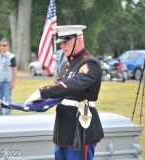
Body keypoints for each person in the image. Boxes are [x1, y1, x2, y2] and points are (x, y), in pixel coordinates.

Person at [25, 25, 104, 160]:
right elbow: (61, 92)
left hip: (79, 129)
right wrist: (41, 102)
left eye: (66, 41)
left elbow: (71, 85)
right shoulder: (66, 65)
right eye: (61, 42)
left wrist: (42, 92)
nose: (62, 45)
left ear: (78, 39)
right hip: (63, 128)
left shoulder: (90, 63)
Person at [0, 39, 17, 115]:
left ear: (8, 46)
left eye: (4, 45)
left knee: (7, 100)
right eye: (1, 45)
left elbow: (14, 70)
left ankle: (8, 114)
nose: (2, 47)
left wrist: (13, 82)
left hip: (7, 81)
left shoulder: (11, 57)